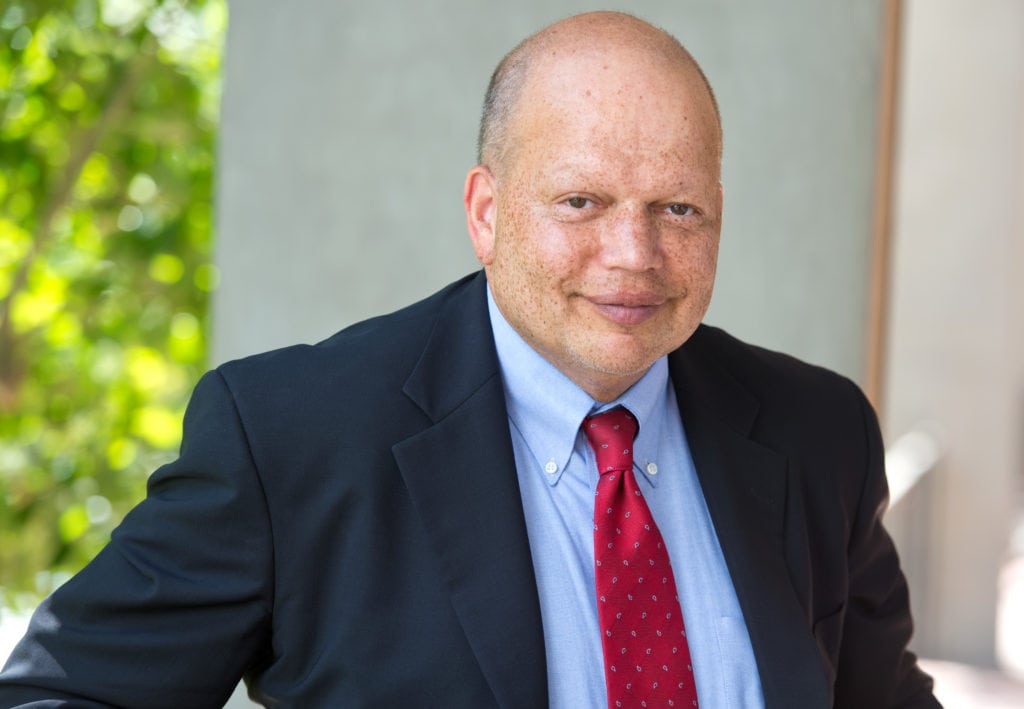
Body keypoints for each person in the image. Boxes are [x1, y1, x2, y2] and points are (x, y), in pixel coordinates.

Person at [0, 11, 940, 709]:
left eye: (678, 208)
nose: (634, 254)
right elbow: (62, 695)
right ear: (486, 212)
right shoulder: (292, 438)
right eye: (581, 202)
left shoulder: (820, 435)